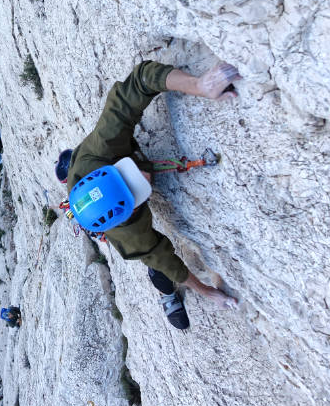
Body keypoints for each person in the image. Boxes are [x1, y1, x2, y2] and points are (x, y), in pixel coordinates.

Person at [54, 60, 240, 330]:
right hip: (114, 222)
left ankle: (76, 168)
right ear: (128, 211)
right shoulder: (127, 232)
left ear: (109, 170)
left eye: (127, 174)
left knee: (81, 161)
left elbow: (139, 82)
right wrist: (207, 293)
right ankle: (167, 295)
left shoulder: (102, 151)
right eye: (136, 190)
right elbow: (167, 260)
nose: (144, 177)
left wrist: (199, 86)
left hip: (88, 167)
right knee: (158, 268)